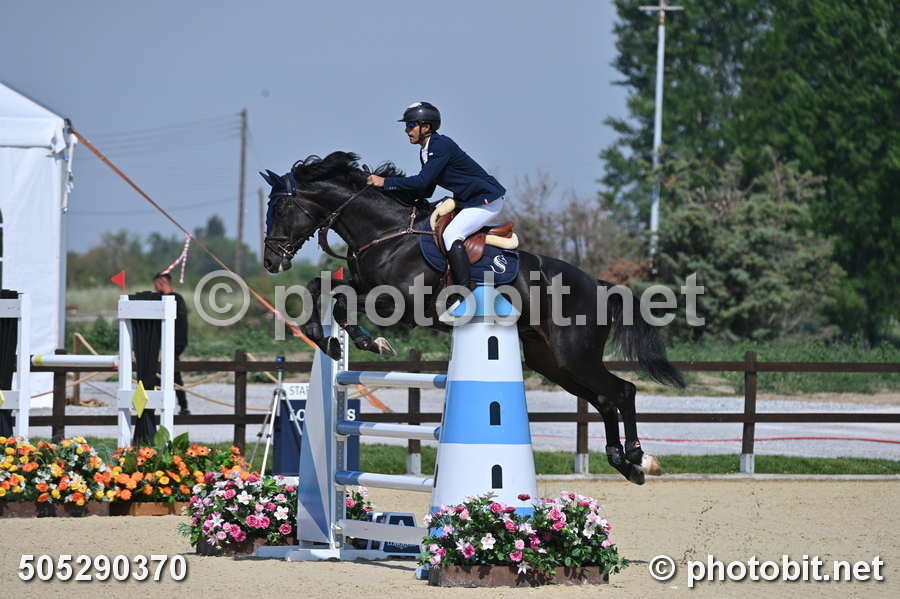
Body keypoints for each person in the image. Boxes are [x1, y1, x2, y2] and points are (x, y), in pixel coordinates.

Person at [366, 101, 506, 287]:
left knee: (452, 235)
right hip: (468, 200)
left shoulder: (440, 145)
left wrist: (385, 182)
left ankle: (463, 289)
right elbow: (427, 189)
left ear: (426, 127)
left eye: (410, 125)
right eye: (406, 126)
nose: (406, 130)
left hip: (486, 200)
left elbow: (421, 181)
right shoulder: (426, 150)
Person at [152, 272, 190, 415]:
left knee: (171, 374)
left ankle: (181, 405)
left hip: (175, 343)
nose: (155, 288)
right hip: (169, 343)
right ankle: (181, 405)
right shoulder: (169, 299)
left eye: (156, 285)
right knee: (169, 373)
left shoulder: (174, 299)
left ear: (161, 283)